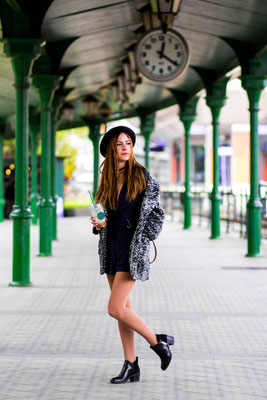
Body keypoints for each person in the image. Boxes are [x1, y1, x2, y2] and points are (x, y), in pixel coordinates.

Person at [90, 125, 174, 384]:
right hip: (112, 246)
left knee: (115, 308)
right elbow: (103, 212)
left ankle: (157, 343)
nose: (125, 147)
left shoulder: (143, 176)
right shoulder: (107, 178)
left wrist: (143, 238)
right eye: (119, 144)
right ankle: (131, 365)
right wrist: (99, 224)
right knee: (124, 309)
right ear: (110, 150)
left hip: (131, 249)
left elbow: (158, 214)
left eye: (128, 143)